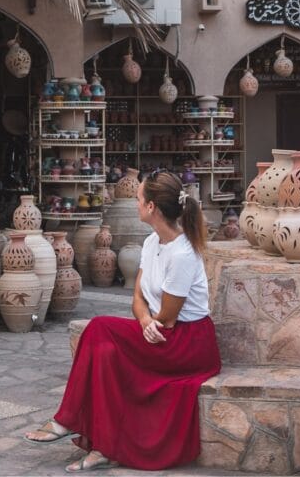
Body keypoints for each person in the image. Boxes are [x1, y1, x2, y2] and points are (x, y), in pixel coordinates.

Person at [24, 170, 221, 472]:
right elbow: (137, 296)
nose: (136, 203)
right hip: (158, 330)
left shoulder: (182, 254)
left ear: (152, 207)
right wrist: (143, 320)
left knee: (100, 329)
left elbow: (168, 319)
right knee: (102, 347)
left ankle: (69, 421)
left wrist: (148, 323)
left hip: (186, 343)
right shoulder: (152, 242)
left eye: (139, 198)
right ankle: (103, 445)